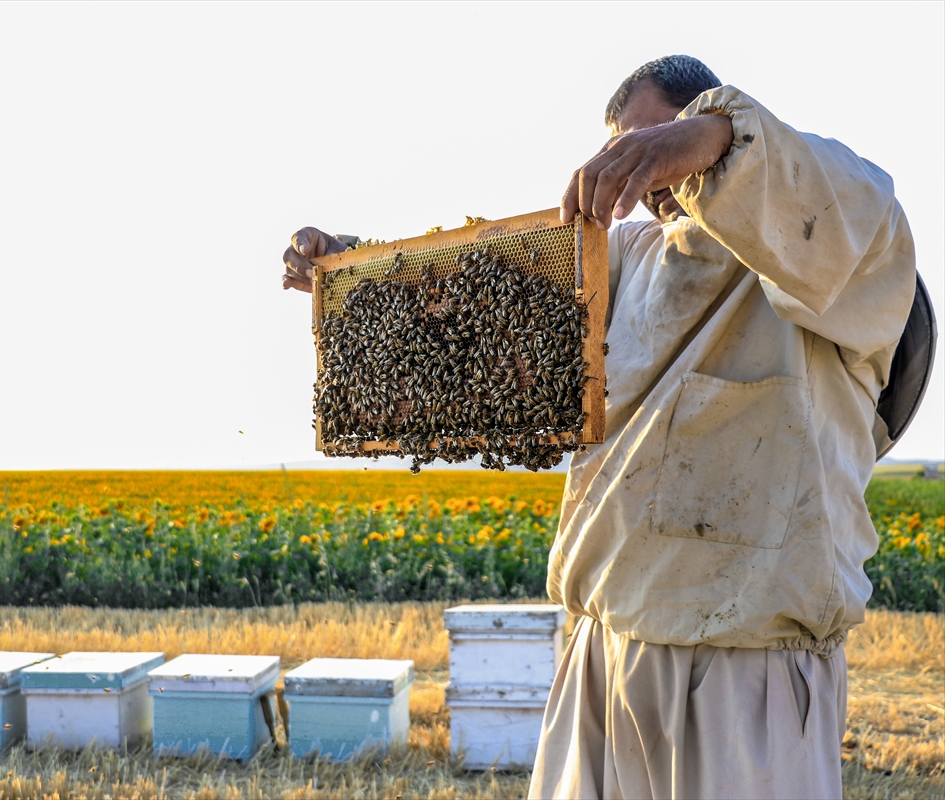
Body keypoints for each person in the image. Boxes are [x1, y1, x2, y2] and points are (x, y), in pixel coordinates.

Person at [282, 55, 916, 799]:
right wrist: (354, 275)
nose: (640, 178)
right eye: (621, 154)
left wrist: (710, 137)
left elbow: (850, 196)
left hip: (746, 668)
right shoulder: (622, 258)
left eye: (649, 145)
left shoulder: (835, 246)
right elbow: (481, 310)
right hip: (603, 646)